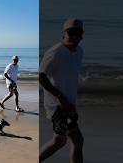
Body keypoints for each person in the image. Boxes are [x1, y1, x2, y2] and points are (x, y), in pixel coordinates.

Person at [39, 18, 84, 163]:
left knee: (59, 141)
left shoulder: (79, 52)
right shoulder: (55, 53)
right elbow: (41, 77)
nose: (74, 36)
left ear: (82, 36)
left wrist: (70, 102)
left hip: (68, 104)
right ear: (63, 34)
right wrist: (60, 98)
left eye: (78, 33)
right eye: (71, 33)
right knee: (78, 140)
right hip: (57, 106)